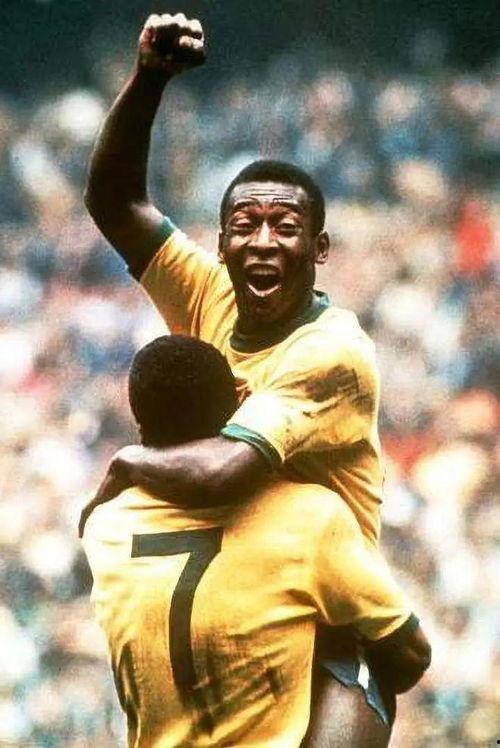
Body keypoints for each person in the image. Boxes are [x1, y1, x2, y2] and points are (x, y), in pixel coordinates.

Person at [82, 12, 423, 741]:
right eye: (245, 225)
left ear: (319, 249)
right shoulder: (209, 292)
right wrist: (147, 80)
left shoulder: (331, 353)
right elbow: (115, 204)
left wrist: (128, 462)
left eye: (285, 228)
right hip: (230, 598)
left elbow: (226, 473)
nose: (263, 241)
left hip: (321, 614)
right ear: (221, 242)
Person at [81, 334, 431, 747]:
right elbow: (412, 656)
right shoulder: (307, 515)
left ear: (140, 427)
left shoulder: (105, 525)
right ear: (239, 409)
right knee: (355, 650)